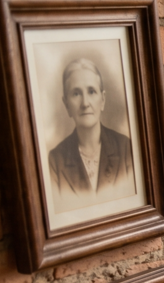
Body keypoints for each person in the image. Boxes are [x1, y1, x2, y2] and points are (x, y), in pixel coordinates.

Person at [48, 58, 136, 210]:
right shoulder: (55, 161)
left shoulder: (126, 148)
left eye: (91, 91)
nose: (85, 103)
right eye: (76, 93)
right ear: (66, 104)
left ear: (102, 99)